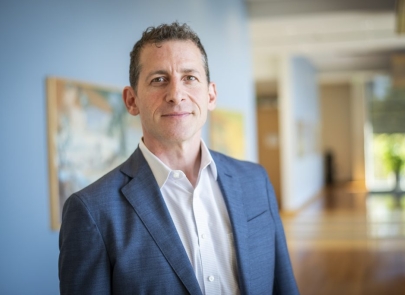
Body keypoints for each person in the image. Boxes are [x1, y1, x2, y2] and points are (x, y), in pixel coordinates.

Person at [59, 22, 299, 295]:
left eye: (190, 78)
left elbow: (284, 287)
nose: (176, 94)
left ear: (210, 94)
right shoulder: (92, 211)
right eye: (158, 79)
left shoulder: (255, 181)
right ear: (131, 101)